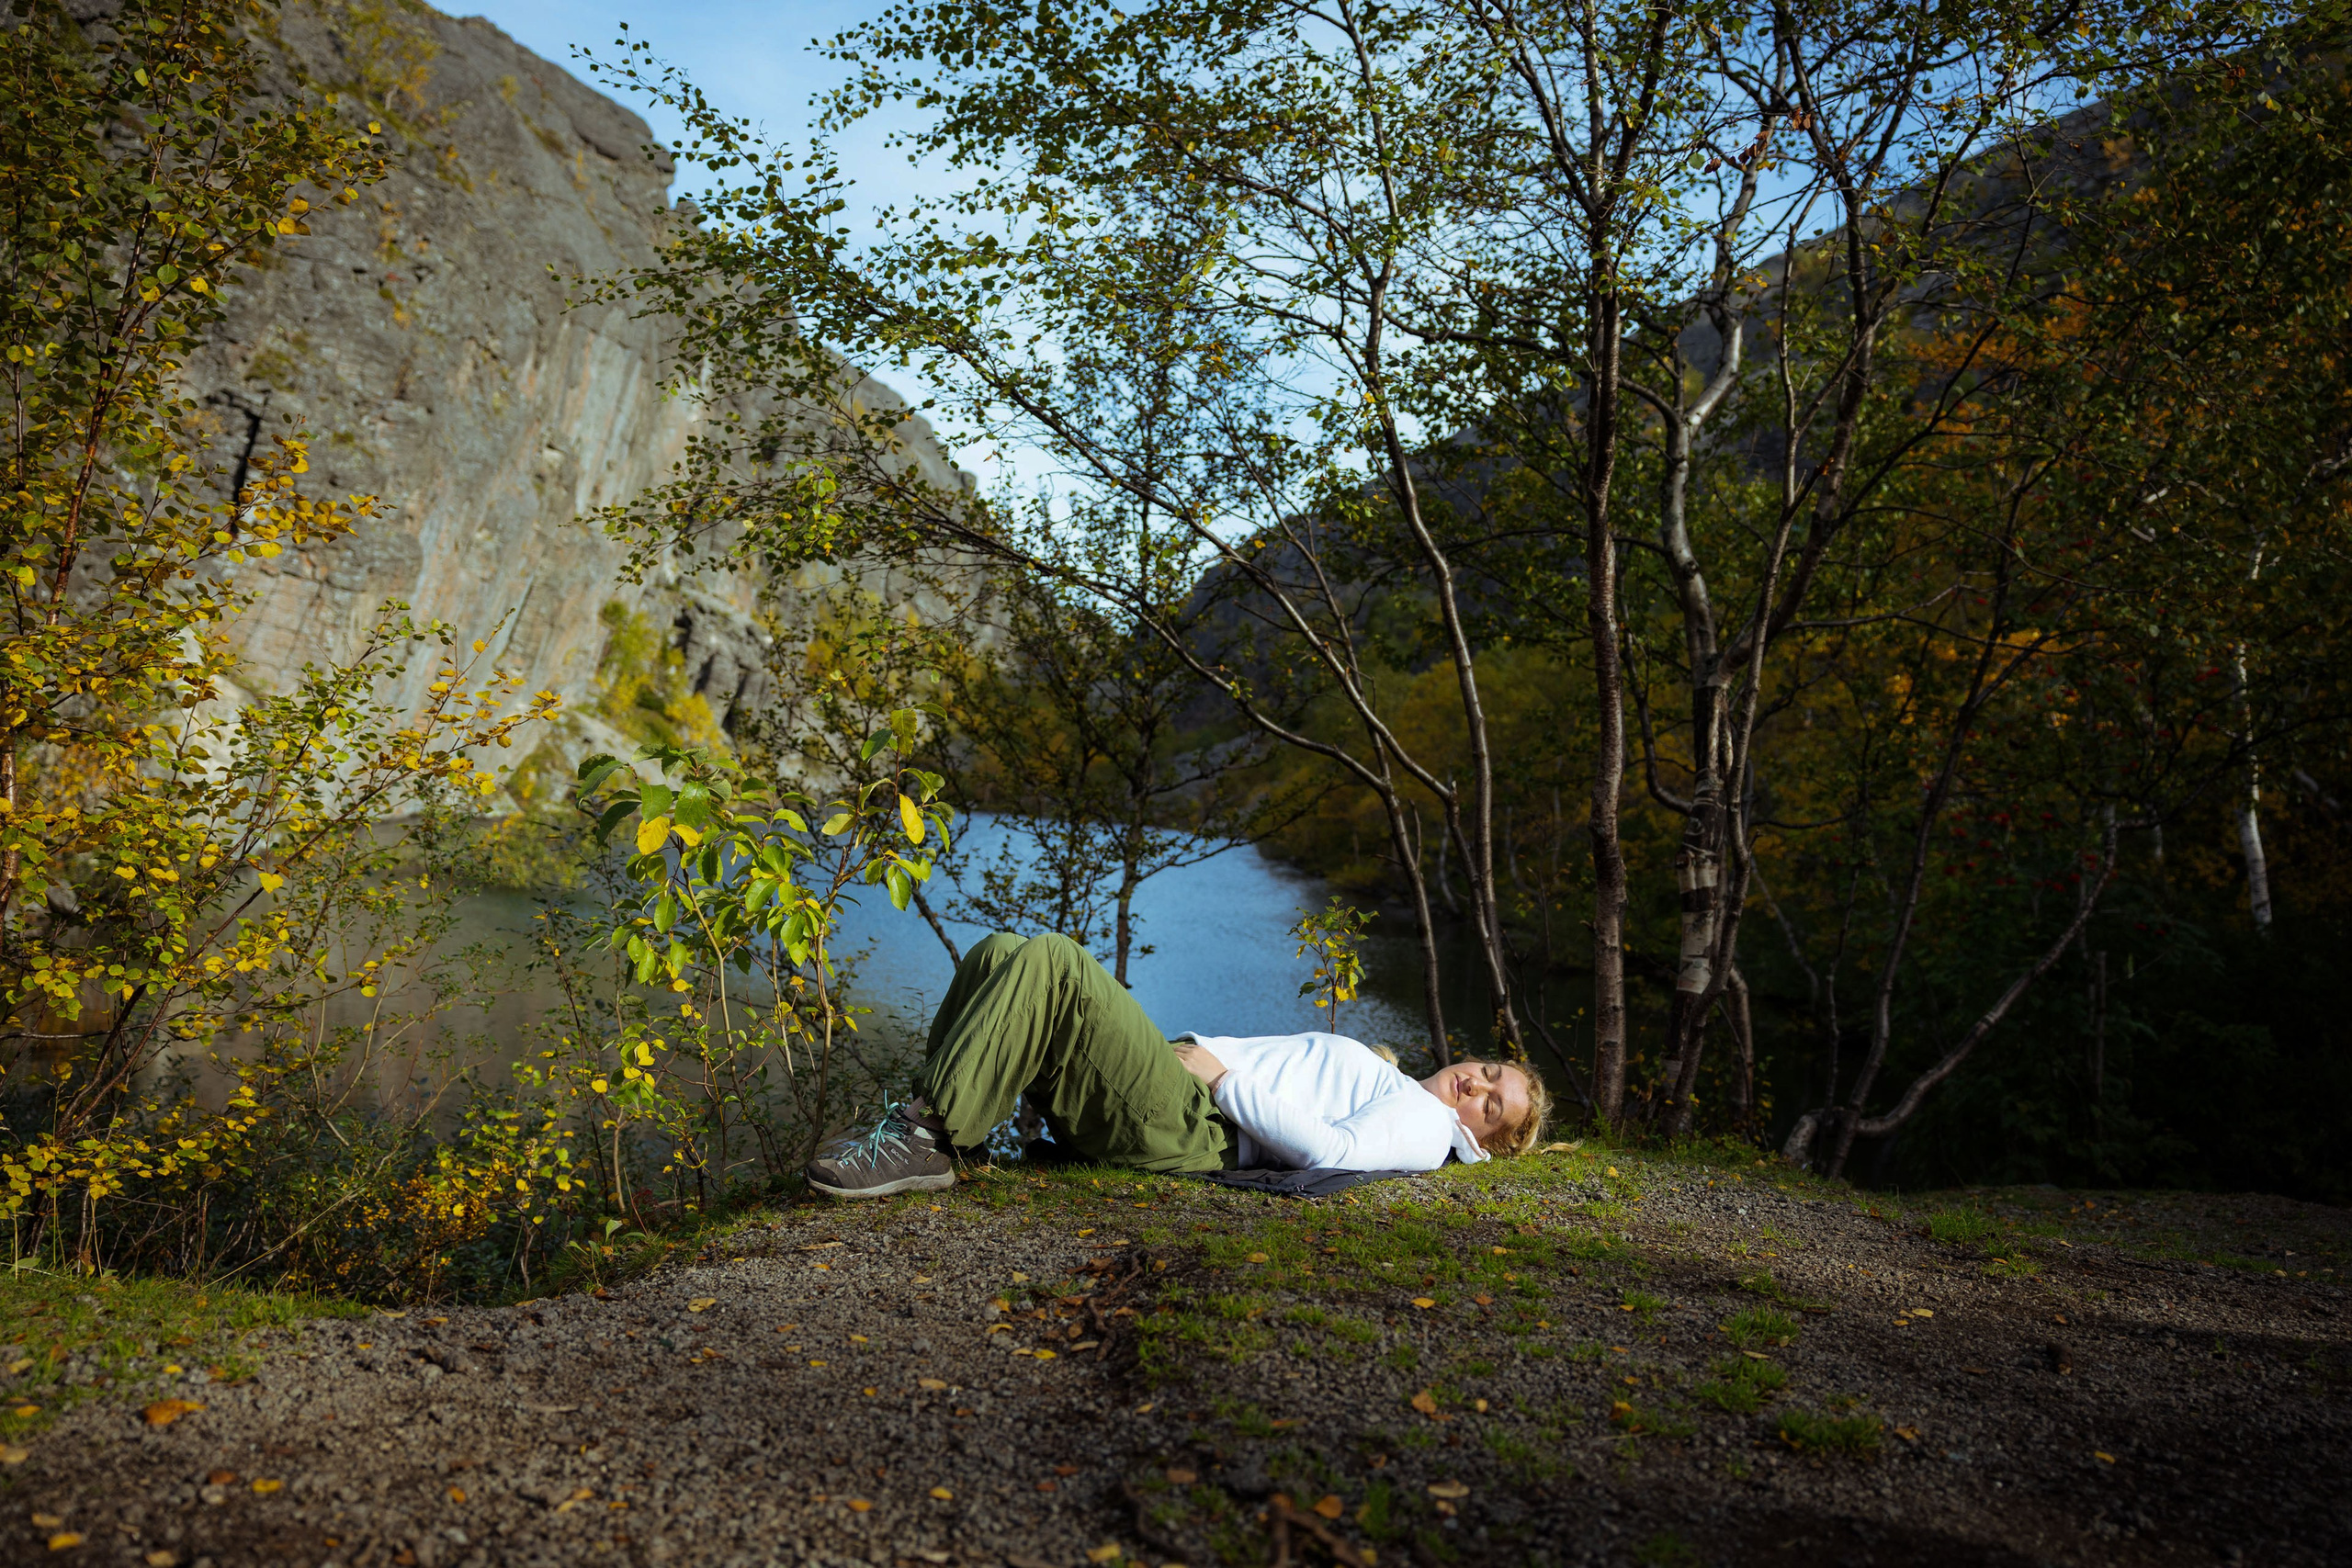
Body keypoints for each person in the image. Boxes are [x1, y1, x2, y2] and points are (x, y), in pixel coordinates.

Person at [806, 931, 1551, 1199]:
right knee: (1001, 951)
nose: (1479, 1085)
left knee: (1056, 960)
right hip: (1182, 1098)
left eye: (1494, 1105)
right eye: (1489, 1071)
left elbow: (1333, 1152)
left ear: (1484, 1140)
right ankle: (945, 1140)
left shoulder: (1426, 1126)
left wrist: (1221, 1078)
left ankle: (925, 1136)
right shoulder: (1398, 1083)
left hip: (1202, 1126)